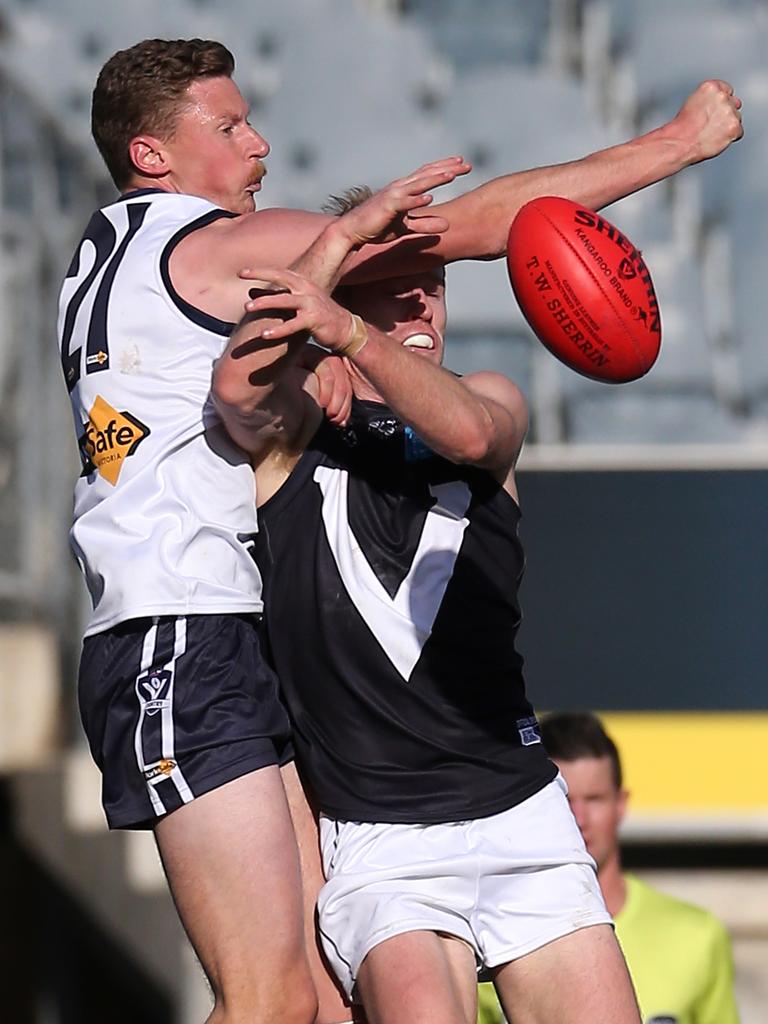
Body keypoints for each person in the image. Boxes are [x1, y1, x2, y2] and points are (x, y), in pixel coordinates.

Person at [59, 33, 742, 1024]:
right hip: (179, 624)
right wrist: (674, 146)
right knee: (265, 1001)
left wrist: (335, 337)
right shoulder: (200, 244)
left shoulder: (117, 247)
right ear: (153, 155)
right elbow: (473, 228)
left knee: (323, 1006)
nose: (258, 146)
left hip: (219, 628)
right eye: (229, 125)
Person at [211, 194, 637, 1023]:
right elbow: (235, 387)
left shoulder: (488, 394)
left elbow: (475, 437)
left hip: (520, 810)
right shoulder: (295, 429)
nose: (422, 305)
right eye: (398, 284)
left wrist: (350, 336)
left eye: (434, 286)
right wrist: (329, 269)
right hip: (385, 835)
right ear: (345, 290)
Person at [536, 712, 740, 1024]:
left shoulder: (697, 936)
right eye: (561, 800)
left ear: (621, 804)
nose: (578, 819)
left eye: (594, 800)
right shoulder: (497, 938)